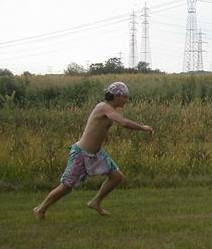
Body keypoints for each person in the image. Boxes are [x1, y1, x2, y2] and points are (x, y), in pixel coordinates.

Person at [33, 82, 153, 220]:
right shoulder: (103, 107)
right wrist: (143, 128)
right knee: (66, 187)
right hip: (80, 154)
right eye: (125, 97)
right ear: (117, 96)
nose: (127, 100)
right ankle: (40, 209)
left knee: (117, 177)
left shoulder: (109, 109)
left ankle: (95, 202)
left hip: (96, 154)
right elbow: (123, 122)